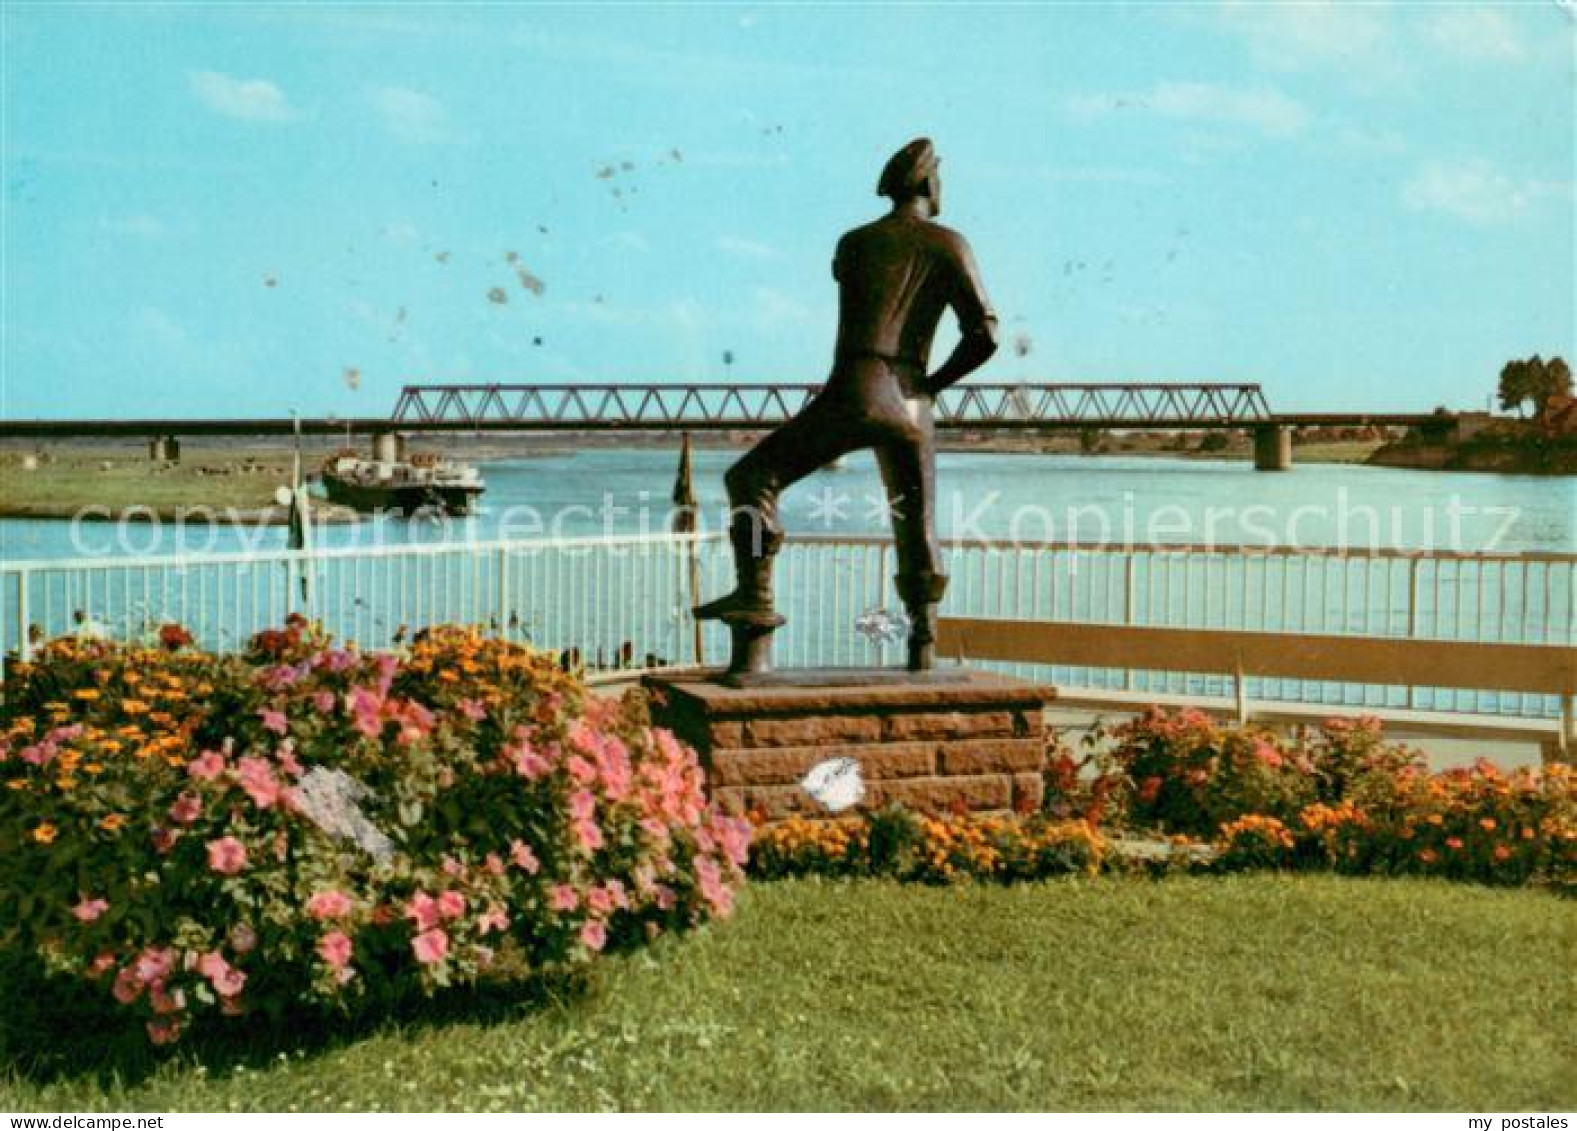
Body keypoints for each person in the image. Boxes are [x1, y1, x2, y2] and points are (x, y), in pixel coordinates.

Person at [694, 137, 999, 671]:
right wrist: (931, 384)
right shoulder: (952, 244)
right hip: (910, 402)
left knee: (752, 478)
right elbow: (986, 336)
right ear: (929, 182)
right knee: (916, 521)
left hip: (855, 386)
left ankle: (756, 603)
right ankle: (922, 647)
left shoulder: (854, 243)